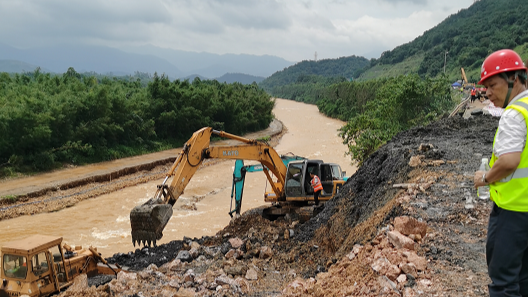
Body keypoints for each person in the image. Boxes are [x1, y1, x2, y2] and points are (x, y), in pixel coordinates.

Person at [473, 49, 528, 297]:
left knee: (504, 281)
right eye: (485, 87)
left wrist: (484, 178)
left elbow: (508, 161)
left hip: (513, 211)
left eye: (492, 85)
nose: (488, 93)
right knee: (524, 278)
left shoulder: (514, 114)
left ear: (513, 79)